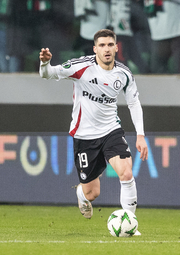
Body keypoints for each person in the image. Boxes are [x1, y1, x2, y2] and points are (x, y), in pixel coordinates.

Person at [39, 29, 148, 235]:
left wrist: (140, 135)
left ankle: (130, 226)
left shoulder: (124, 74)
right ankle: (81, 193)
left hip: (111, 130)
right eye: (102, 45)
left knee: (126, 172)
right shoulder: (81, 67)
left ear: (116, 47)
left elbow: (134, 103)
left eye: (110, 45)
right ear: (95, 49)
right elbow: (48, 74)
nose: (106, 49)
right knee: (92, 192)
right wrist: (45, 63)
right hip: (84, 136)